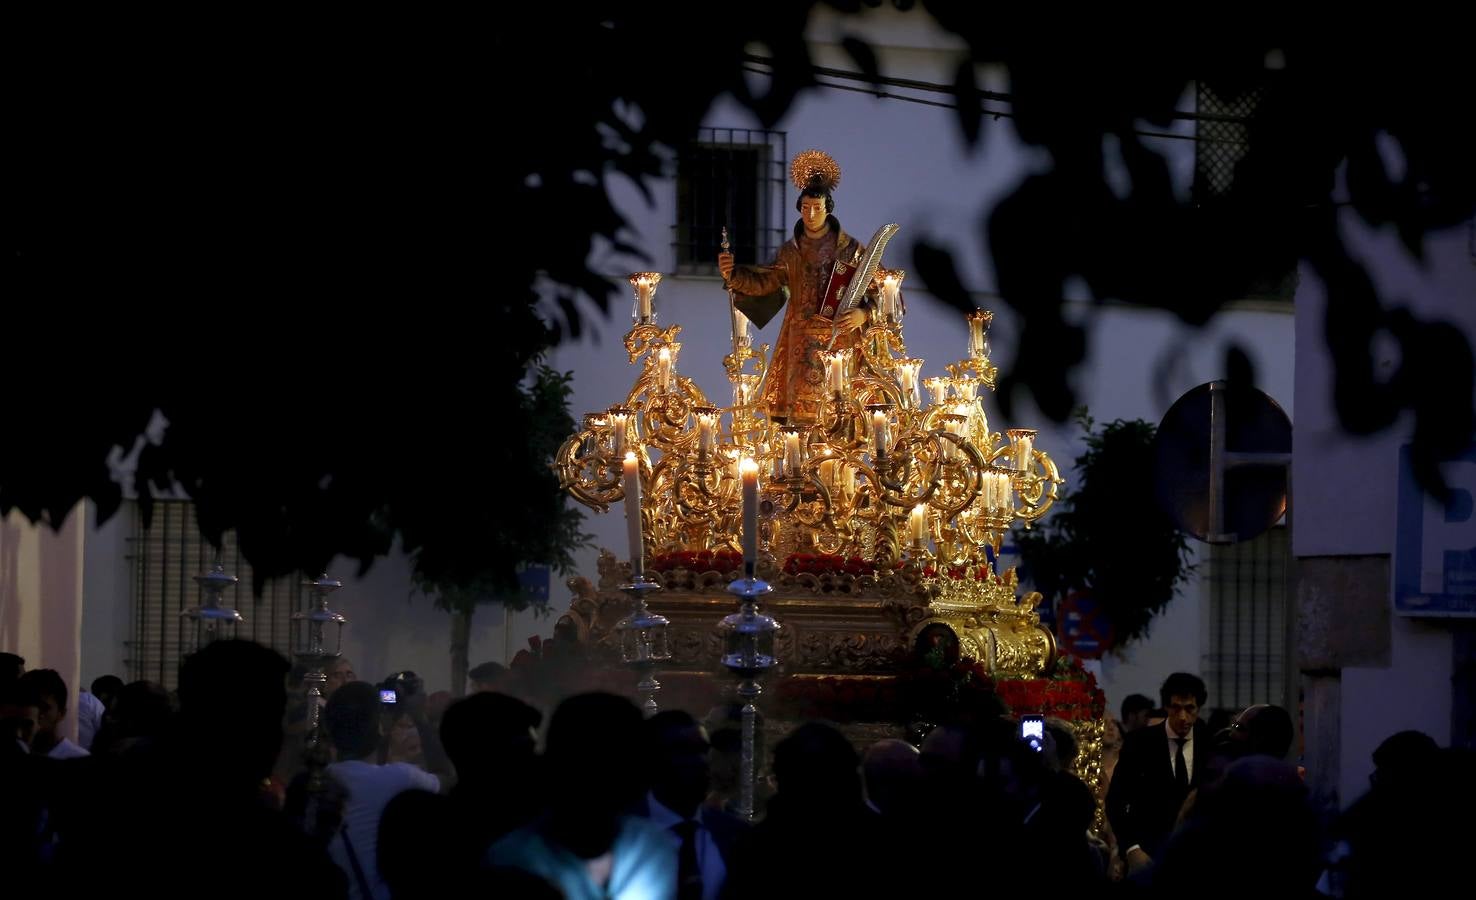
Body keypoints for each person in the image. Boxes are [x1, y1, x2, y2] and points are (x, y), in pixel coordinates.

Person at [717, 149, 878, 424]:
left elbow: (880, 290)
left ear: (828, 209)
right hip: (799, 342)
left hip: (839, 337)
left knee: (838, 414)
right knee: (799, 420)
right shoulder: (789, 253)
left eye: (817, 208)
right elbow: (765, 282)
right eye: (806, 208)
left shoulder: (851, 250)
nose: (811, 214)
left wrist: (864, 314)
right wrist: (733, 275)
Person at [1106, 671, 1209, 873]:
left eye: (1190, 709)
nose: (1182, 717)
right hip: (1147, 855)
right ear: (1166, 707)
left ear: (1198, 708)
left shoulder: (1209, 744)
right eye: (1176, 707)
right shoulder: (1139, 742)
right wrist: (1131, 849)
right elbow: (1116, 800)